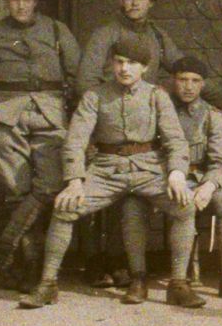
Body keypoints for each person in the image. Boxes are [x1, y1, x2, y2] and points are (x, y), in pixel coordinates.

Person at [19, 31, 189, 309]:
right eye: (119, 61)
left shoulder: (157, 96)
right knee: (65, 208)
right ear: (111, 64)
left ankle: (179, 284)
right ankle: (48, 284)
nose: (124, 68)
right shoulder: (95, 96)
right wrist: (74, 180)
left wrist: (177, 173)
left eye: (132, 63)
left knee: (185, 206)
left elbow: (175, 139)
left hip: (148, 168)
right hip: (106, 170)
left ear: (144, 67)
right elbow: (75, 140)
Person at [0, 0, 81, 284]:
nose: (21, 6)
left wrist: (73, 111)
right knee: (16, 189)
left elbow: (76, 73)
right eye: (14, 0)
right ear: (7, 1)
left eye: (27, 0)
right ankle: (29, 267)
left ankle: (2, 247)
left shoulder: (56, 31)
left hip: (49, 111)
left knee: (50, 184)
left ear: (36, 2)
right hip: (6, 112)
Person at [163, 56, 222, 306]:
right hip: (168, 180)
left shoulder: (212, 115)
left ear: (203, 84)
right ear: (173, 81)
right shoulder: (162, 109)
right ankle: (178, 283)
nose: (188, 86)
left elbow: (221, 162)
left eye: (195, 81)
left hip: (201, 179)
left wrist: (209, 185)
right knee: (185, 204)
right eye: (183, 80)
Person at [77, 0, 183, 94]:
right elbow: (85, 81)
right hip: (111, 106)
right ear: (121, 0)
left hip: (147, 107)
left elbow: (184, 68)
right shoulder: (105, 34)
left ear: (151, 3)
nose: (135, 3)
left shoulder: (158, 36)